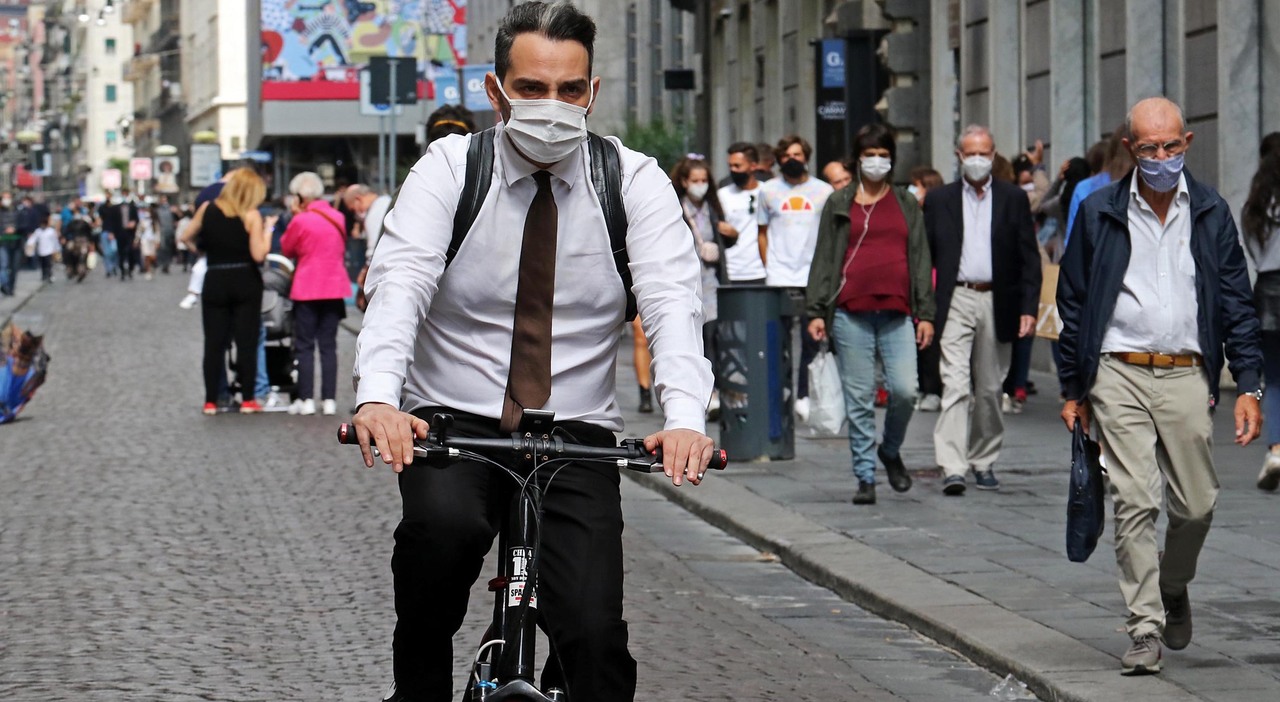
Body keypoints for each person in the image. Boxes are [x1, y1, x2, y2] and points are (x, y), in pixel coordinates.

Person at [350, 3, 715, 700]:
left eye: (570, 90)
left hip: (576, 433)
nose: (553, 106)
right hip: (452, 421)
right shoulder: (451, 169)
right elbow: (401, 284)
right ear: (496, 92)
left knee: (595, 637)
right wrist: (378, 399)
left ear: (592, 93)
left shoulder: (631, 181)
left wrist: (687, 419)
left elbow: (672, 302)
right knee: (442, 538)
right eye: (532, 89)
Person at [1057, 97, 1262, 676]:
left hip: (1186, 372)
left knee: (1196, 506)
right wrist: (1074, 387)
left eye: (1170, 146)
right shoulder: (1099, 212)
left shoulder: (1211, 211)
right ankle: (1144, 626)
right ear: (1130, 148)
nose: (1161, 157)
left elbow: (1235, 301)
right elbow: (1072, 302)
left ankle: (1173, 586)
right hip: (1117, 370)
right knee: (1135, 500)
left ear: (1187, 143)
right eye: (1149, 148)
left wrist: (1249, 383)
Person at [806, 123, 935, 505]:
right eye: (870, 154)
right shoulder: (840, 202)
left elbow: (921, 255)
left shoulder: (906, 202)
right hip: (851, 313)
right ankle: (865, 476)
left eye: (883, 155)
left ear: (891, 159)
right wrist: (816, 309)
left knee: (905, 390)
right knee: (860, 399)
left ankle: (890, 449)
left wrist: (925, 313)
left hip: (897, 313)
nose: (876, 161)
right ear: (858, 158)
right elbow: (825, 258)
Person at [925, 124, 1040, 495]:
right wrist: (924, 308)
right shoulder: (940, 199)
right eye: (969, 153)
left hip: (998, 298)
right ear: (959, 156)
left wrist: (1028, 307)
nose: (977, 159)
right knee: (955, 384)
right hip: (955, 297)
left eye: (984, 153)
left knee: (990, 387)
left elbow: (1029, 258)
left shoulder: (1012, 199)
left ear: (993, 156)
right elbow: (924, 255)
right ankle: (953, 466)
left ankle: (984, 459)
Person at [179, 167, 271, 415]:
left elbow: (186, 236)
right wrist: (269, 231)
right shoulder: (251, 215)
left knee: (214, 342)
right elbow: (258, 254)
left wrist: (203, 252)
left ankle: (211, 400)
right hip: (245, 279)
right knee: (246, 341)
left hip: (216, 277)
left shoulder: (207, 208)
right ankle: (248, 399)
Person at [757, 134, 834, 419]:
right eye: (787, 155)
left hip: (811, 277)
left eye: (798, 155)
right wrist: (769, 267)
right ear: (779, 159)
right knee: (778, 341)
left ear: (807, 158)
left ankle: (804, 393)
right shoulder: (769, 191)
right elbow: (761, 234)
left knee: (811, 339)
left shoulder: (824, 191)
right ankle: (782, 391)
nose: (792, 160)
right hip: (779, 277)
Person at [672, 155, 736, 418]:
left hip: (712, 281)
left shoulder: (712, 207)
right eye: (695, 180)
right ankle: (703, 392)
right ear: (685, 182)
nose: (701, 185)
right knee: (697, 341)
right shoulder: (676, 207)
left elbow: (723, 242)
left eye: (704, 180)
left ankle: (718, 391)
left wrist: (730, 235)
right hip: (688, 281)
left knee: (716, 338)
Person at [281, 172, 350, 417]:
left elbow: (287, 248)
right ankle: (329, 400)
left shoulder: (301, 220)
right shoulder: (338, 217)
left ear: (300, 196)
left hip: (306, 287)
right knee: (328, 346)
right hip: (334, 287)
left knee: (305, 345)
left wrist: (295, 217)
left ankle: (307, 398)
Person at [1242, 131, 1280, 490]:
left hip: (1267, 291)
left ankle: (1277, 450)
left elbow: (1254, 254)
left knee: (1275, 377)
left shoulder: (1254, 206)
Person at [718, 142, 766, 284]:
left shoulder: (767, 192)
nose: (733, 170)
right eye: (730, 166)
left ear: (753, 166)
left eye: (738, 166)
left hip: (761, 271)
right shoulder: (722, 195)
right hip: (732, 271)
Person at [26, 215, 61, 284]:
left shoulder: (51, 231)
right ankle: (44, 275)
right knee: (42, 264)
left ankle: (50, 275)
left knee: (49, 264)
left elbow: (55, 241)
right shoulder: (38, 231)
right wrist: (29, 246)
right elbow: (32, 239)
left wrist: (56, 249)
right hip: (41, 251)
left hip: (49, 251)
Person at [0, 192, 19, 296]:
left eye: (8, 197)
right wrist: (4, 231)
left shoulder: (16, 210)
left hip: (15, 242)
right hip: (2, 242)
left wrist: (14, 229)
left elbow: (19, 223)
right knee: (4, 264)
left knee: (13, 266)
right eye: (4, 198)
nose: (6, 200)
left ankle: (9, 286)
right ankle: (6, 285)